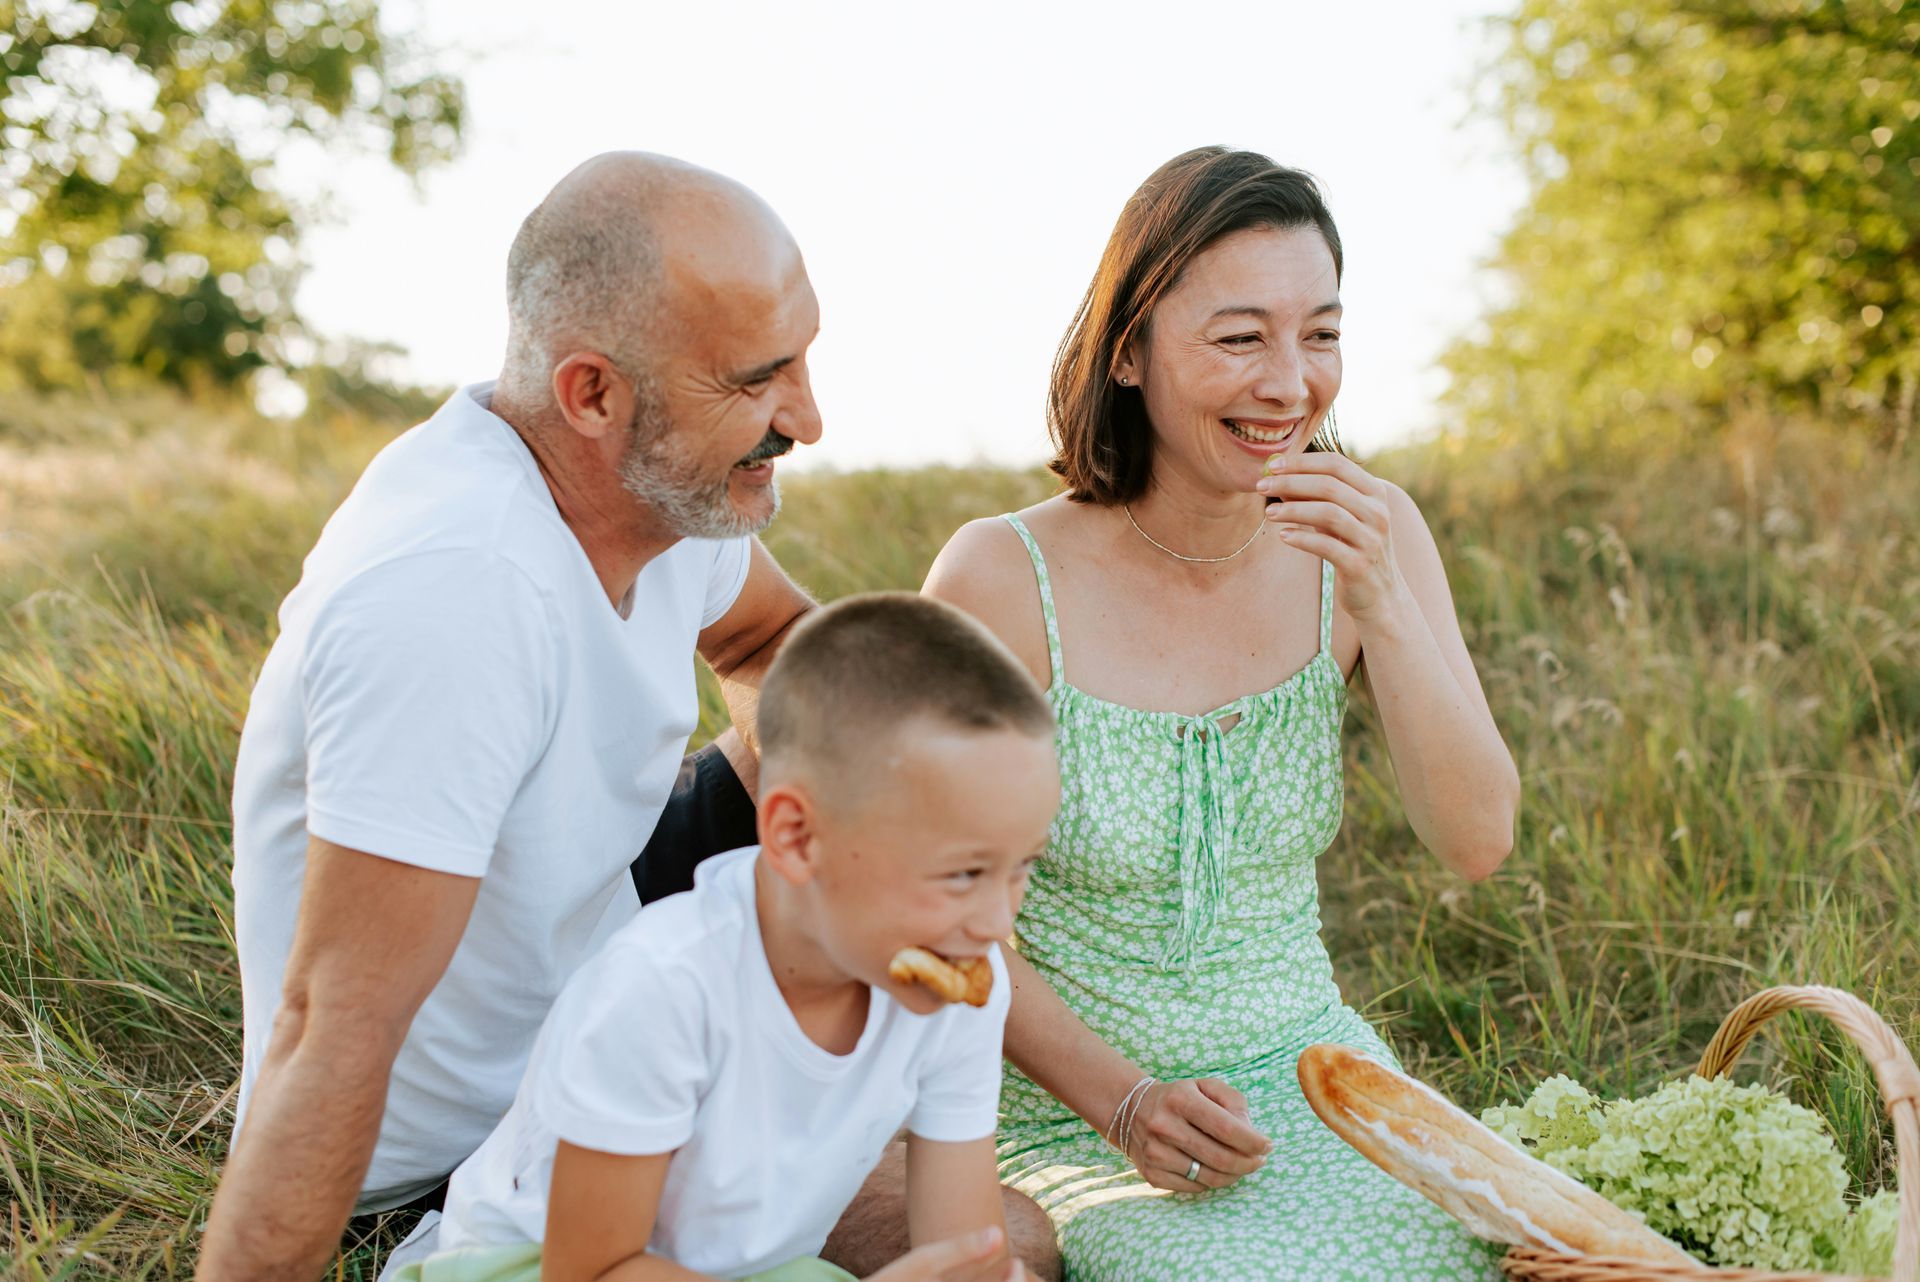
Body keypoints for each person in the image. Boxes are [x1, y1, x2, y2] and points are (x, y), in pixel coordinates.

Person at [197, 152, 1057, 1281]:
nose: (807, 416)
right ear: (592, 392)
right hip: (457, 1171)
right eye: (756, 380)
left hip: (619, 999)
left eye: (803, 358)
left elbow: (771, 647)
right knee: (1000, 1250)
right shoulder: (455, 597)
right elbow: (332, 1023)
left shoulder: (665, 500)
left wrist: (891, 862)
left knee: (1010, 1241)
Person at [919, 146, 1523, 1280]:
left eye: (1323, 333)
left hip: (1322, 1075)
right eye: (1241, 337)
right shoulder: (1001, 576)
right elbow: (934, 916)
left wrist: (1382, 601)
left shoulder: (1374, 530)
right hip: (1068, 1110)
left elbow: (1478, 840)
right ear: (1131, 351)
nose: (1290, 384)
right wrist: (1124, 1100)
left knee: (1495, 1253)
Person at [388, 593, 1060, 1282]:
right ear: (798, 838)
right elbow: (594, 1270)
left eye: (1020, 869)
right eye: (962, 873)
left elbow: (962, 1253)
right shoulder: (665, 988)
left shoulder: (957, 989)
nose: (994, 923)